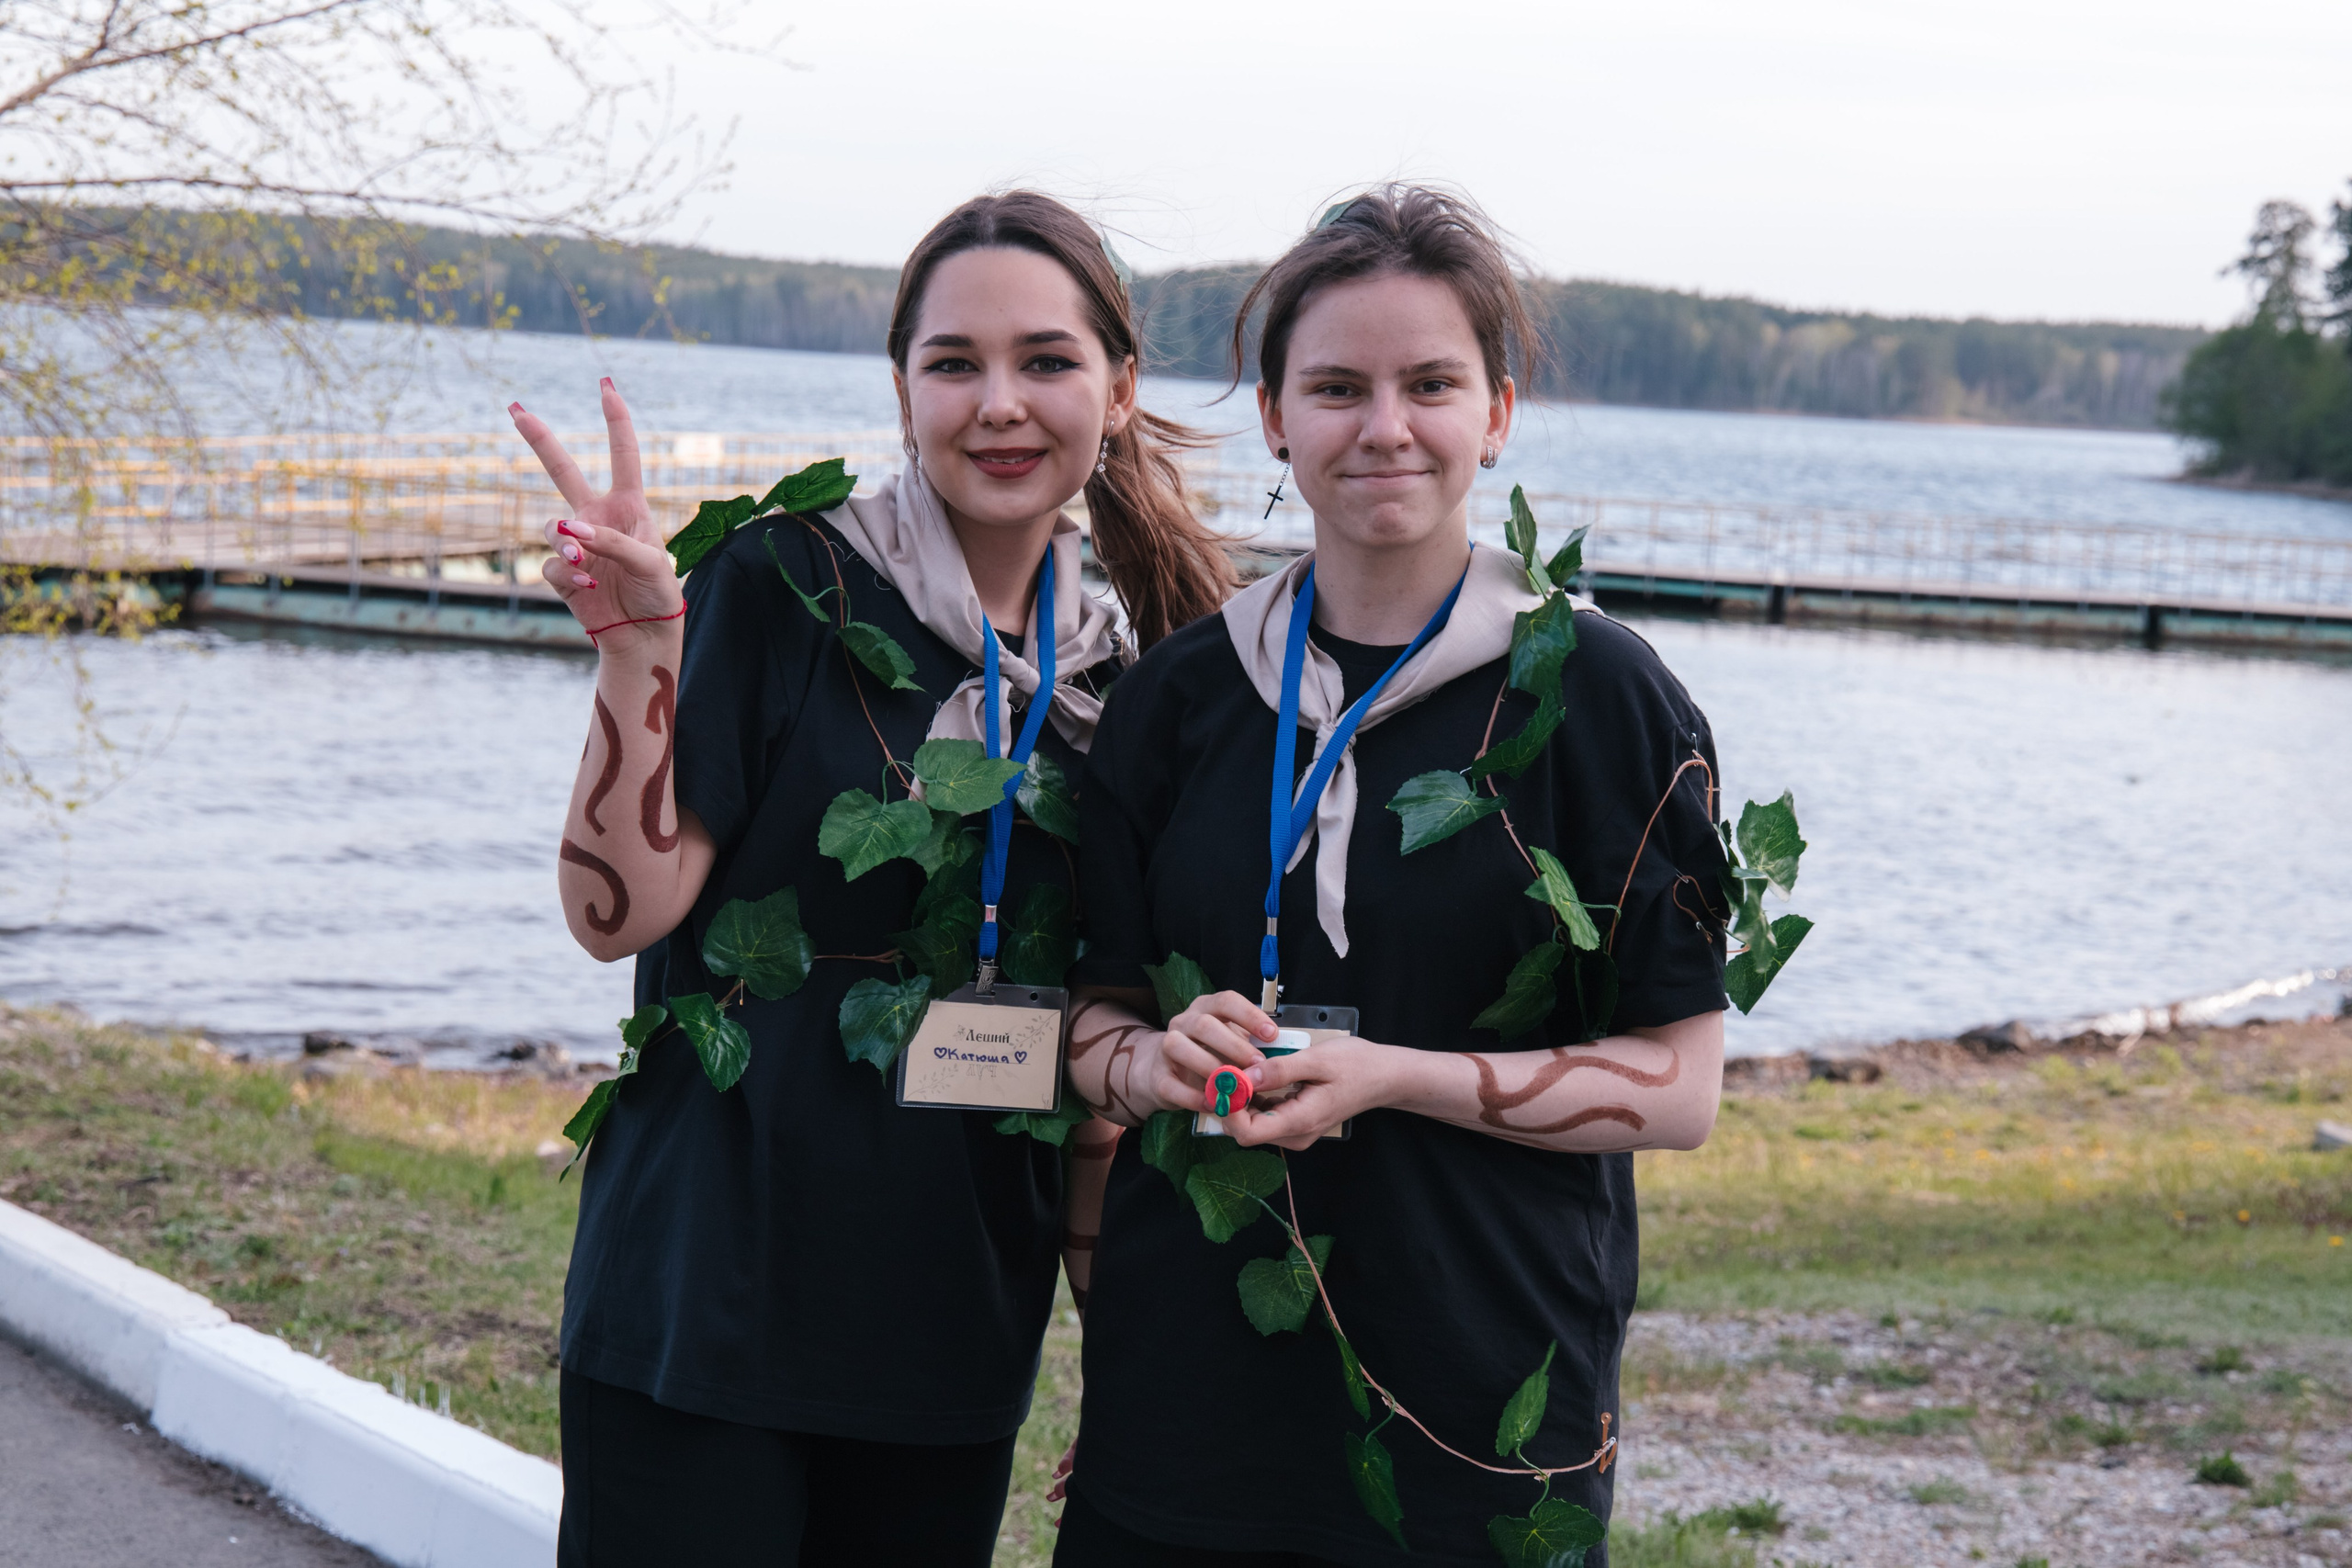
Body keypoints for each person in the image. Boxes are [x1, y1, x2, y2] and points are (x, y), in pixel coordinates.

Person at [514, 189, 1237, 1567]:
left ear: (1120, 387)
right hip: (703, 1311)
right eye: (954, 363)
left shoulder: (1130, 686)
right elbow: (620, 916)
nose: (999, 404)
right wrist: (634, 653)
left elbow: (1094, 1065)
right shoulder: (787, 583)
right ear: (901, 386)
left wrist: (1133, 1365)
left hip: (950, 1333)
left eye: (1046, 362)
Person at [1055, 186, 1731, 1567]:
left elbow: (1680, 1088)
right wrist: (1150, 1061)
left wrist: (1396, 1077)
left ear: (1496, 411)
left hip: (1475, 1414)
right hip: (1184, 1404)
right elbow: (1088, 1027)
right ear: (1274, 418)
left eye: (1430, 384)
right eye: (1337, 387)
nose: (1384, 427)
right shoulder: (1183, 698)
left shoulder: (1597, 699)